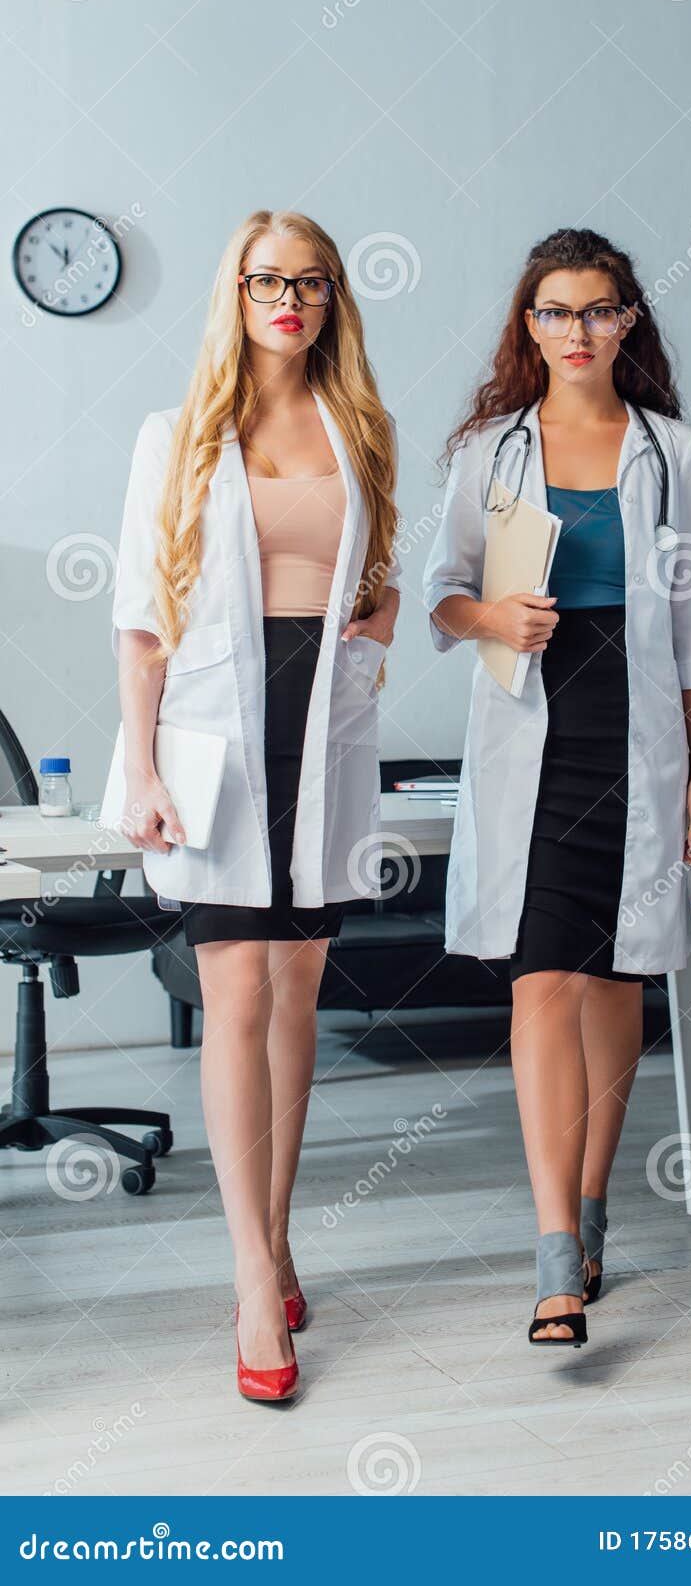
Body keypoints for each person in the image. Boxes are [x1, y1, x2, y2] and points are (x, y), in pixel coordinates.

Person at [423, 227, 691, 1347]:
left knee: (614, 987)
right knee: (543, 978)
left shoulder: (672, 450)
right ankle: (556, 1252)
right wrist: (491, 615)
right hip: (533, 728)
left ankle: (592, 1206)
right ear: (531, 324)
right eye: (556, 311)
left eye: (599, 310)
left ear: (628, 320)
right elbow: (443, 594)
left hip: (638, 732)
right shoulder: (492, 451)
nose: (577, 331)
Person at [111, 209, 401, 1401]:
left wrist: (374, 639)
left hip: (321, 730)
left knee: (296, 997)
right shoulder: (179, 434)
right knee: (234, 992)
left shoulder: (361, 428)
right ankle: (249, 1277)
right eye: (267, 281)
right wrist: (143, 768)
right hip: (215, 741)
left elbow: (377, 585)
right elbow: (143, 616)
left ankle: (277, 1241)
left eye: (311, 282)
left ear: (334, 299)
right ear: (235, 294)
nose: (289, 301)